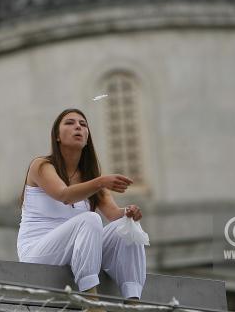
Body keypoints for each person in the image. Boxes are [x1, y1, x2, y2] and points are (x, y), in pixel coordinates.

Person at [17, 108, 146, 302]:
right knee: (90, 219)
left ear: (87, 138)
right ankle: (92, 301)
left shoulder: (92, 179)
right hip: (38, 253)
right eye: (69, 123)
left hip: (76, 252)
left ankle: (133, 300)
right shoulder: (41, 165)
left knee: (128, 227)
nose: (78, 126)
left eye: (83, 124)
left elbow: (113, 215)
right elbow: (64, 195)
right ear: (57, 136)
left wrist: (129, 213)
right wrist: (101, 182)